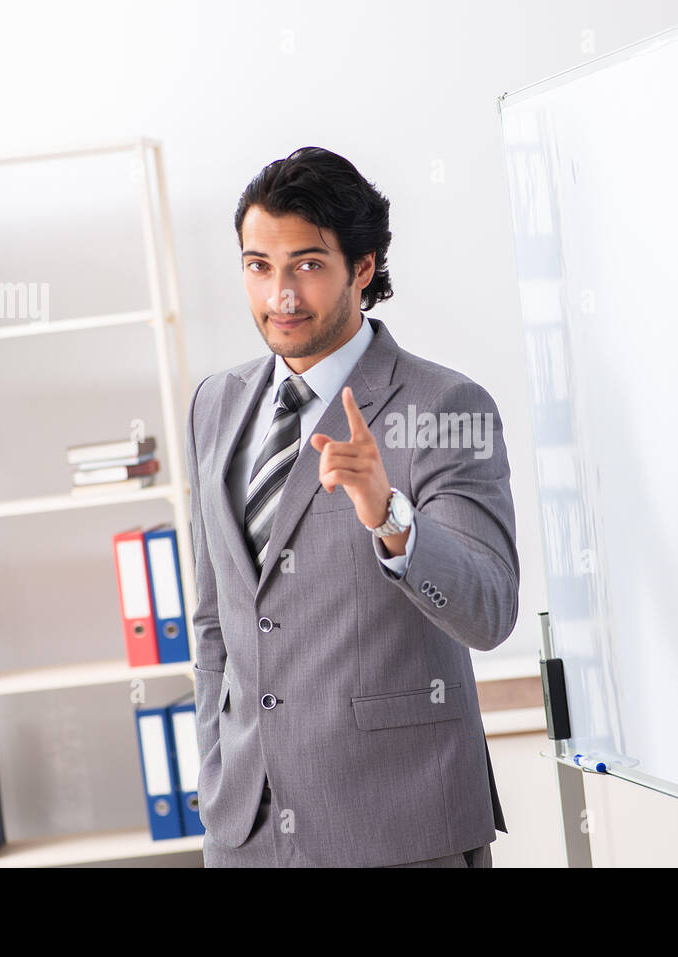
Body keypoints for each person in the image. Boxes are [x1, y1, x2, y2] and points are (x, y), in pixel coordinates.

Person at [187, 146, 518, 867]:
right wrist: (216, 776)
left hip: (399, 825)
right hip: (246, 833)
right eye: (259, 265)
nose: (281, 294)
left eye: (306, 264)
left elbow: (490, 609)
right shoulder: (215, 405)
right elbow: (215, 618)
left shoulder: (443, 407)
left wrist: (390, 516)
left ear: (362, 267)